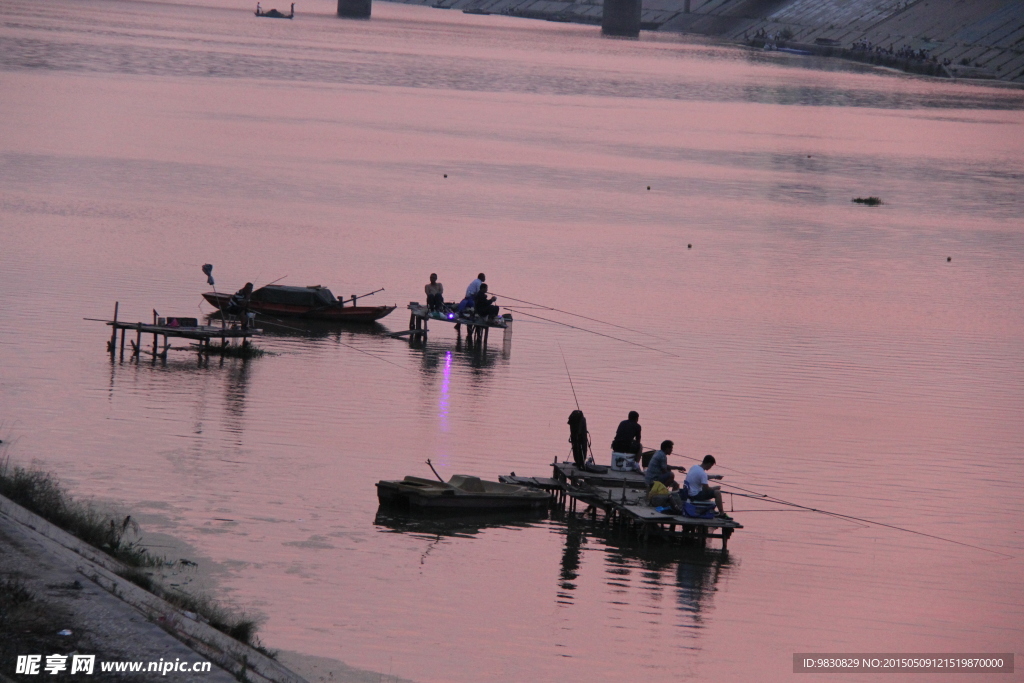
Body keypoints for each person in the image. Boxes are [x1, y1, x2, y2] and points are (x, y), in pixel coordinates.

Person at [683, 455, 731, 520]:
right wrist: (715, 488)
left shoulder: (695, 467)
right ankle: (722, 514)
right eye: (711, 466)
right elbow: (706, 489)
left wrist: (715, 477)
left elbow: (702, 477)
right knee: (717, 493)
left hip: (689, 492)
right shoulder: (703, 473)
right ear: (708, 463)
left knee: (711, 491)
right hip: (695, 495)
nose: (710, 467)